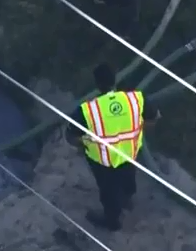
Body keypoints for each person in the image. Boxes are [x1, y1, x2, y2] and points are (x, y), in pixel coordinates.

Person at [66, 62, 161, 231]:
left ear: (97, 84)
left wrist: (84, 144)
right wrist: (138, 131)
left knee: (108, 191)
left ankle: (112, 220)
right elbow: (154, 117)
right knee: (128, 178)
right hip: (129, 152)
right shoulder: (136, 99)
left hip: (102, 160)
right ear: (115, 80)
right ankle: (127, 199)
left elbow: (71, 137)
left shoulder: (87, 110)